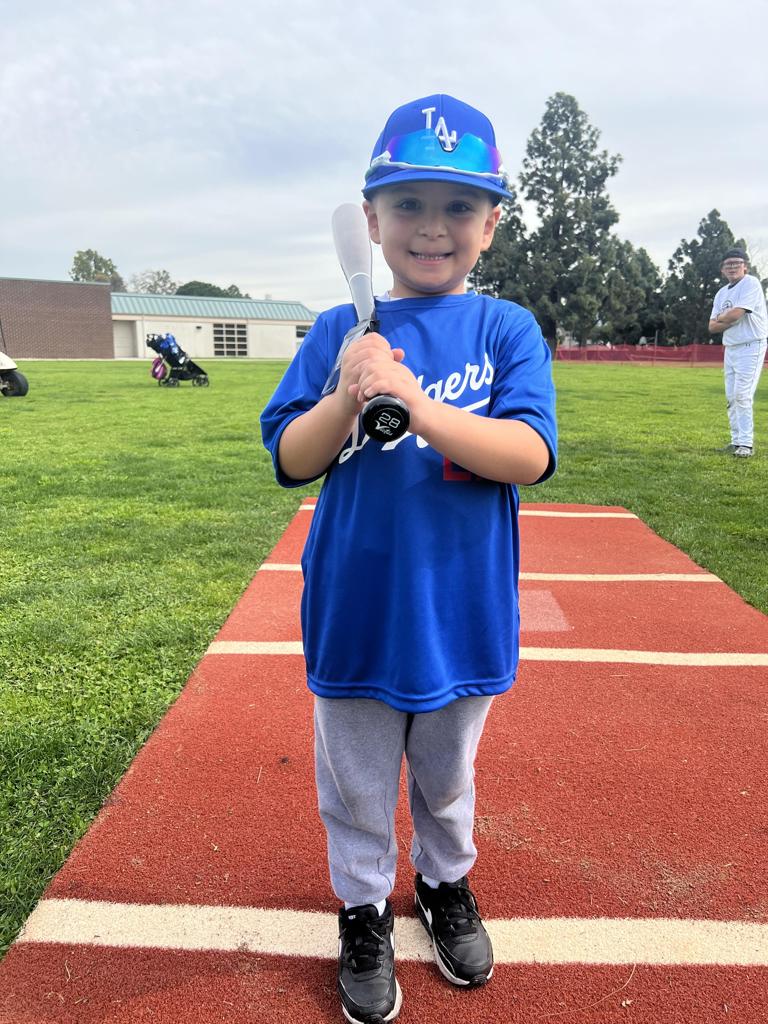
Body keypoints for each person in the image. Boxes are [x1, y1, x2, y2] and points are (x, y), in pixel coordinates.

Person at [261, 93, 557, 1024]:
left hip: (460, 608)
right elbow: (290, 458)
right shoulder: (335, 331)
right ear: (372, 218)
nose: (433, 226)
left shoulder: (506, 329)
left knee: (448, 773)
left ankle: (442, 883)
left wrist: (417, 404)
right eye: (409, 204)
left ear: (491, 224)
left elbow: (528, 454)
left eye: (459, 206)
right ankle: (362, 908)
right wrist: (348, 392)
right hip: (356, 604)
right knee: (355, 783)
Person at [708, 247, 768, 457]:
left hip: (751, 344)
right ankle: (736, 441)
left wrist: (725, 317)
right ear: (722, 269)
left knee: (742, 394)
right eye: (728, 264)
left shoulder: (750, 283)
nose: (732, 267)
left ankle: (746, 444)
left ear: (745, 267)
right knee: (731, 396)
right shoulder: (721, 293)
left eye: (736, 263)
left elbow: (736, 314)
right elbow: (712, 327)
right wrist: (728, 317)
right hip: (731, 347)